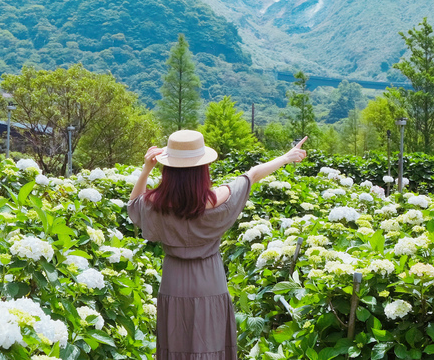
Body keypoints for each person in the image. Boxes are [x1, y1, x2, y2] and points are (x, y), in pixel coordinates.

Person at [127, 130, 308, 360]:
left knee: (175, 344)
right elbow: (251, 175)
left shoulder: (155, 203)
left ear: (168, 169)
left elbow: (133, 206)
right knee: (210, 344)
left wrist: (146, 169)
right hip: (210, 281)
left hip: (173, 282)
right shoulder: (220, 199)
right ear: (203, 168)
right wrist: (286, 157)